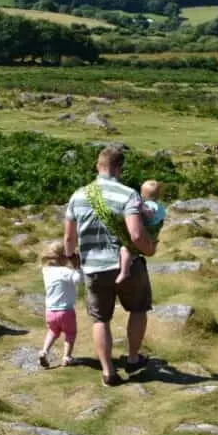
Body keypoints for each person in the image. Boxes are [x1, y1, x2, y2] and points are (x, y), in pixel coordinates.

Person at [64, 147, 156, 386]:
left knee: (100, 319)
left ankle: (108, 372)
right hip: (127, 263)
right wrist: (150, 249)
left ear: (98, 166)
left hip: (93, 267)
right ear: (119, 168)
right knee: (138, 309)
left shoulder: (78, 195)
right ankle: (134, 358)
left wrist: (71, 257)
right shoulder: (128, 195)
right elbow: (136, 235)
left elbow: (68, 238)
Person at [38, 240, 83, 368]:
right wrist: (77, 266)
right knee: (70, 333)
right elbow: (78, 279)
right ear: (64, 256)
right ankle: (67, 357)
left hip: (50, 311)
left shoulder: (46, 270)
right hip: (66, 310)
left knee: (52, 331)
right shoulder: (65, 271)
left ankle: (44, 351)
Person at [114, 180, 167, 286]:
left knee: (125, 249)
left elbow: (150, 214)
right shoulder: (160, 206)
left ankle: (124, 272)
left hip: (147, 231)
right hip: (153, 234)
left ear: (142, 194)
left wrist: (141, 208)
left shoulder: (149, 205)